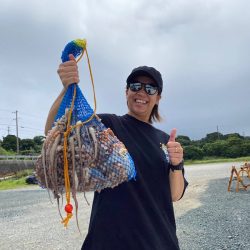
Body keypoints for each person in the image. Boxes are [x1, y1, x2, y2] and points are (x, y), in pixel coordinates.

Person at [45, 54, 188, 250]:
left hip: (160, 241)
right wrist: (66, 88)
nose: (142, 92)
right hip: (109, 241)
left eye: (150, 88)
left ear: (158, 97)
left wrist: (176, 164)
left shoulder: (165, 140)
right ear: (126, 91)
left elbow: (175, 195)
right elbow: (54, 132)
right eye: (135, 86)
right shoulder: (108, 126)